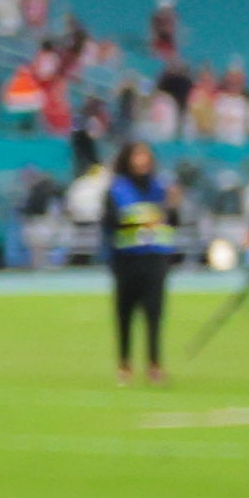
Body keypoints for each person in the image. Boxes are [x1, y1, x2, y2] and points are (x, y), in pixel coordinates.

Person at [104, 135, 179, 382]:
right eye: (137, 155)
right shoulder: (117, 189)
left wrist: (174, 207)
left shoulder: (160, 187)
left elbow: (172, 222)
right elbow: (112, 223)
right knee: (125, 312)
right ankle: (124, 363)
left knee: (154, 312)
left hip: (156, 258)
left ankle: (154, 363)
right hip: (127, 260)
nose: (142, 160)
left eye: (145, 155)